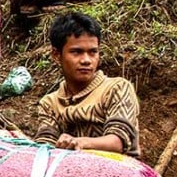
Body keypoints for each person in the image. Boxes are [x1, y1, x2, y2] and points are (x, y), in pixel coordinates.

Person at [34, 11, 140, 156]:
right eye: (76, 52)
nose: (86, 60)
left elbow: (118, 142)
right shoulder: (49, 104)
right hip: (68, 174)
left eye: (93, 52)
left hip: (119, 172)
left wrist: (79, 142)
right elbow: (45, 149)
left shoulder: (117, 88)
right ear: (56, 55)